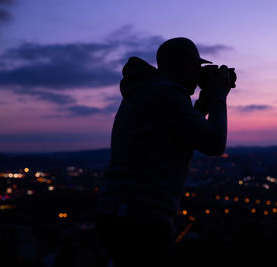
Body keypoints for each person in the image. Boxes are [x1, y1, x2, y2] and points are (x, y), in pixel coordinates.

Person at [96, 37, 235, 266]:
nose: (199, 74)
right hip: (141, 221)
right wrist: (219, 95)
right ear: (185, 67)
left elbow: (180, 134)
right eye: (196, 67)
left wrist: (202, 105)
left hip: (121, 215)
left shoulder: (148, 91)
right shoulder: (166, 94)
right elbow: (214, 143)